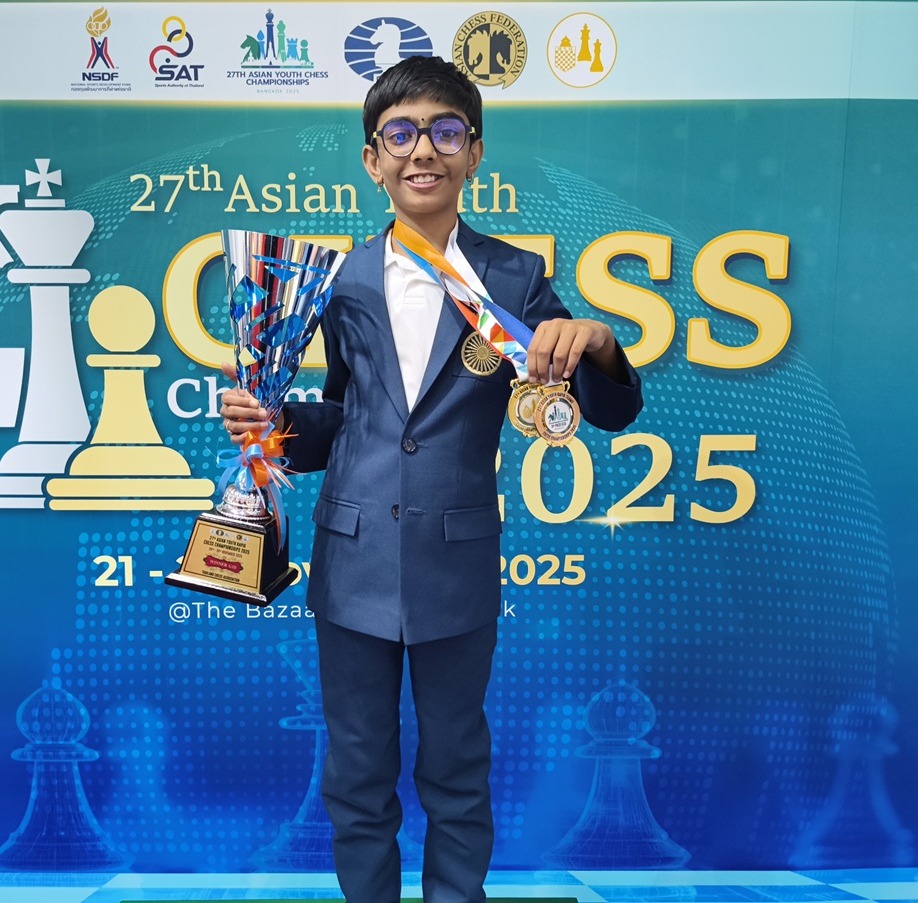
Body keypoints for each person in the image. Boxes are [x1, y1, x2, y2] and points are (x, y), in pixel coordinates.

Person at [220, 56, 643, 903]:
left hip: (457, 565)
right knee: (356, 772)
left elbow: (608, 410)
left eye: (447, 133)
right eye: (402, 134)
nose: (424, 151)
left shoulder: (515, 276)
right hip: (352, 561)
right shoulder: (339, 280)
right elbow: (345, 417)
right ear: (372, 159)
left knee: (456, 769)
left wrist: (597, 345)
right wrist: (276, 426)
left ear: (474, 153)